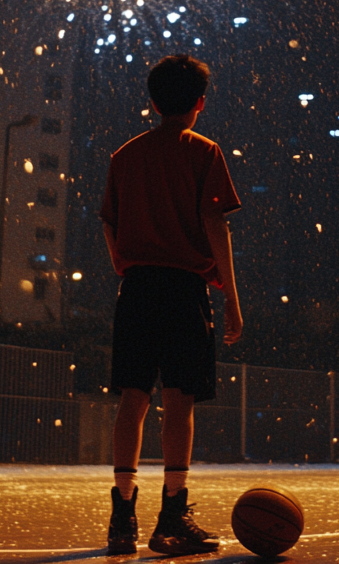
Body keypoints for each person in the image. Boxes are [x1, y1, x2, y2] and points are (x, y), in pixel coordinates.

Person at [100, 54, 242, 556]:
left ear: (153, 101)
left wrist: (124, 261)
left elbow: (109, 223)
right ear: (200, 103)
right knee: (178, 401)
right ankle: (172, 516)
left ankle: (122, 518)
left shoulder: (125, 156)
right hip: (185, 290)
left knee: (133, 398)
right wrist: (231, 298)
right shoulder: (204, 153)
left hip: (137, 288)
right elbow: (215, 226)